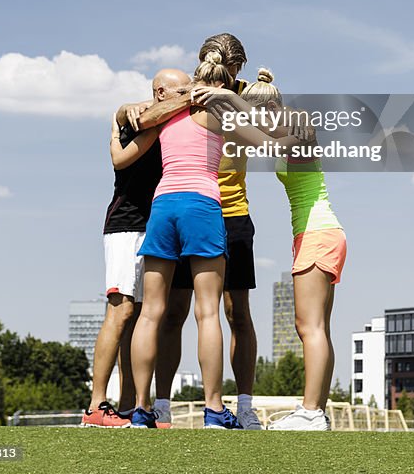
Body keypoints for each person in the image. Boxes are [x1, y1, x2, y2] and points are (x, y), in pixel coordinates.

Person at [112, 39, 303, 430]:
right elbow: (269, 145)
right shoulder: (222, 108)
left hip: (164, 207)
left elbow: (136, 121)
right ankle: (215, 410)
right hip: (203, 206)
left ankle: (140, 410)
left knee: (151, 311)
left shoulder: (172, 107)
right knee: (206, 313)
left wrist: (130, 111)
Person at [196, 71, 345, 432]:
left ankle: (309, 412)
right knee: (319, 328)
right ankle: (317, 411)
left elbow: (275, 138)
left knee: (308, 327)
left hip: (317, 233)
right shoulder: (287, 126)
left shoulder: (299, 127)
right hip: (321, 233)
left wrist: (228, 98)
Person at [81, 68, 191, 429]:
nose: (187, 95)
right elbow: (121, 159)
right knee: (120, 311)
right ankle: (97, 406)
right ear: (160, 92)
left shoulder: (173, 122)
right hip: (126, 226)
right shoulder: (139, 118)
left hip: (156, 227)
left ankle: (129, 407)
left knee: (141, 318)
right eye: (180, 90)